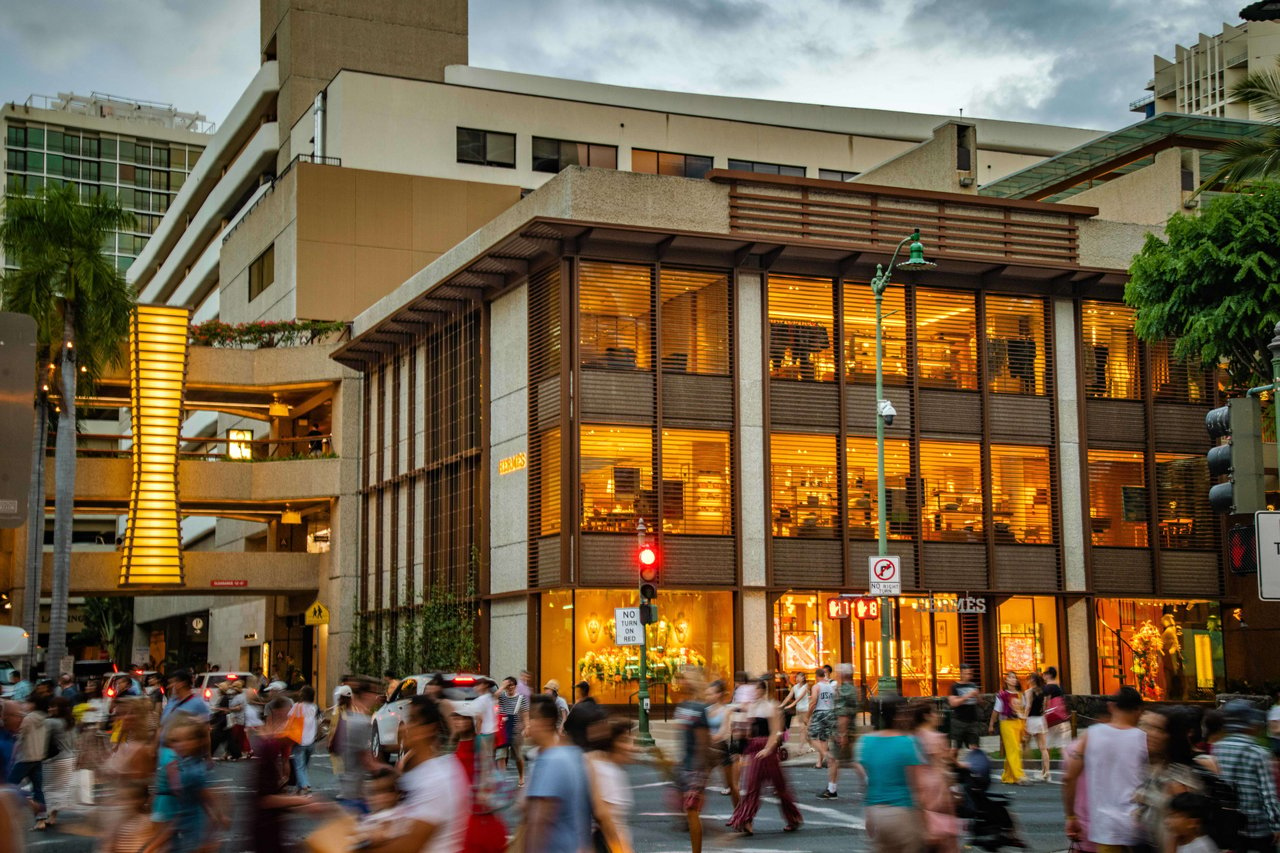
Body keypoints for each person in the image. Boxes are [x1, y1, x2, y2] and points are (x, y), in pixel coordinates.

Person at [1063, 686, 1149, 850]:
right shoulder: (1145, 739)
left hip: (1105, 828)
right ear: (1139, 710)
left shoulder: (1090, 735)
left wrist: (1071, 816)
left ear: (1112, 706)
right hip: (1139, 826)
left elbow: (1069, 778)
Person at [726, 676, 803, 835]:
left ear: (762, 690)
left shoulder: (772, 707)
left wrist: (768, 749)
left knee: (779, 787)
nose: (753, 693)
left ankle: (793, 818)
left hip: (766, 749)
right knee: (752, 786)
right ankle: (746, 820)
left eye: (756, 689)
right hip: (754, 748)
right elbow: (746, 730)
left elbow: (776, 731)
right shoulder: (751, 707)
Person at [854, 696, 926, 853]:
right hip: (903, 813)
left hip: (876, 814)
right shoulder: (908, 743)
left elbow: (866, 784)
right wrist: (923, 820)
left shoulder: (865, 742)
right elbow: (916, 787)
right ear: (898, 716)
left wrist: (869, 818)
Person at [522, 693, 593, 852]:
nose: (526, 725)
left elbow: (540, 820)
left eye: (531, 718)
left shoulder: (551, 761)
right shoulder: (573, 754)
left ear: (544, 722)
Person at [1212, 699, 1280, 853]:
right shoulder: (1258, 752)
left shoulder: (1217, 748)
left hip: (1231, 823)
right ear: (1249, 724)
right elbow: (1268, 794)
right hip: (1258, 826)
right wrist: (1276, 825)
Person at [1135, 705, 1205, 853]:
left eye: (1157, 729)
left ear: (1172, 735)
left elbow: (1176, 833)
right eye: (1144, 725)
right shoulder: (1154, 767)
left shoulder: (1179, 778)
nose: (1148, 733)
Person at [449, 704, 508, 852]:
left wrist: (483, 789)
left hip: (478, 807)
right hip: (460, 807)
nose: (460, 722)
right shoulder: (452, 743)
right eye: (457, 718)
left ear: (471, 721)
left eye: (464, 719)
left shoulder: (479, 741)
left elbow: (486, 767)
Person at [911, 700, 960, 853]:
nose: (938, 715)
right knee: (946, 843)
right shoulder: (936, 738)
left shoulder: (911, 738)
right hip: (935, 791)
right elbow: (943, 770)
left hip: (917, 792)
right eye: (935, 712)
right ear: (926, 716)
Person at [672, 669, 711, 853]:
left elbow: (703, 742)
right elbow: (681, 736)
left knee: (692, 811)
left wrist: (700, 772)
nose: (680, 682)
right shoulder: (682, 706)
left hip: (694, 767)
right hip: (684, 763)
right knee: (688, 812)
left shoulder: (700, 709)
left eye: (683, 678)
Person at [586, 718, 637, 853]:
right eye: (625, 740)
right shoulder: (607, 773)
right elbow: (606, 819)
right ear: (612, 744)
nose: (632, 747)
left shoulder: (606, 767)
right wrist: (621, 849)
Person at [8, 692, 50, 829]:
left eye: (28, 702)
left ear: (33, 704)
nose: (25, 705)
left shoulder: (28, 719)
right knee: (38, 789)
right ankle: (41, 820)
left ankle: (9, 815)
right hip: (38, 757)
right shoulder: (44, 718)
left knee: (9, 785)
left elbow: (19, 736)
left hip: (25, 757)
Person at [41, 696, 76, 827]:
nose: (50, 708)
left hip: (54, 760)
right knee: (60, 788)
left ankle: (48, 816)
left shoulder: (51, 722)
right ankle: (53, 816)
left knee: (47, 788)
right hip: (70, 758)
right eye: (50, 706)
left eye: (53, 706)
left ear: (60, 708)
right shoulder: (70, 722)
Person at [989, 671, 1027, 785]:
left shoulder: (1020, 694)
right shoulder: (1002, 695)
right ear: (1006, 680)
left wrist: (1024, 726)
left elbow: (1022, 710)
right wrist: (991, 724)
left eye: (1014, 677)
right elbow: (996, 711)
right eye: (1010, 677)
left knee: (1015, 749)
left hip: (1018, 723)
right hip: (1006, 723)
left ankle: (1008, 776)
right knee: (1013, 749)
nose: (1013, 679)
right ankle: (1019, 776)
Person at [705, 679, 739, 806]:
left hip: (722, 749)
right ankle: (692, 816)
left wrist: (708, 738)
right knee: (700, 784)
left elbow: (724, 732)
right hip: (708, 751)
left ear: (719, 694)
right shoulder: (706, 710)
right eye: (707, 694)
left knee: (731, 785)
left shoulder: (726, 711)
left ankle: (741, 816)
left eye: (711, 693)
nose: (708, 696)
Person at [288, 684, 320, 793]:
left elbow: (289, 716)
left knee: (299, 766)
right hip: (311, 741)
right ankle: (299, 787)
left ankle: (305, 786)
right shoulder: (314, 707)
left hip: (299, 740)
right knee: (304, 766)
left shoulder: (297, 706)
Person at [496, 676, 527, 785]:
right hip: (503, 729)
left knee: (518, 756)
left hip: (516, 730)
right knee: (502, 755)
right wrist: (502, 686)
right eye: (507, 686)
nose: (509, 688)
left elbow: (525, 714)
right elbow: (493, 697)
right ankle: (503, 779)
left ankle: (521, 777)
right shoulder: (502, 696)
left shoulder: (521, 698)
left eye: (512, 685)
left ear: (515, 686)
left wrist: (526, 727)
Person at [947, 663, 983, 750]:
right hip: (959, 721)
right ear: (961, 673)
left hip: (972, 721)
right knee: (956, 748)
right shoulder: (954, 686)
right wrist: (967, 695)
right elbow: (953, 703)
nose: (969, 675)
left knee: (974, 746)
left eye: (970, 673)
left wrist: (978, 696)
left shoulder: (973, 685)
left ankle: (974, 762)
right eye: (967, 673)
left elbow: (980, 702)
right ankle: (953, 763)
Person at [808, 666, 836, 771]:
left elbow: (813, 702)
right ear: (824, 675)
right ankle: (822, 762)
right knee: (824, 739)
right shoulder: (831, 686)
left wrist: (808, 715)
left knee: (812, 737)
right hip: (830, 713)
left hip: (820, 712)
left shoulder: (816, 686)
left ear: (816, 676)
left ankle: (826, 755)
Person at [1024, 672, 1050, 781]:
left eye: (1029, 679)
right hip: (1040, 720)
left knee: (1024, 745)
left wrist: (1024, 720)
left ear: (1031, 681)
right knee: (1043, 748)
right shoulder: (1043, 692)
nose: (1028, 681)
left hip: (1031, 720)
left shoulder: (1028, 692)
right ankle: (1046, 771)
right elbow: (1045, 708)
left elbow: (1028, 706)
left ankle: (1028, 768)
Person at [779, 671, 809, 752]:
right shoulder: (794, 687)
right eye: (796, 677)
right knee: (803, 729)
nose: (797, 678)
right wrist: (781, 705)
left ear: (803, 678)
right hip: (799, 710)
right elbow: (788, 697)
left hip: (806, 710)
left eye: (799, 677)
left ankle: (801, 748)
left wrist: (790, 706)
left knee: (803, 729)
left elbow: (798, 699)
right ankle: (808, 746)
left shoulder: (806, 687)